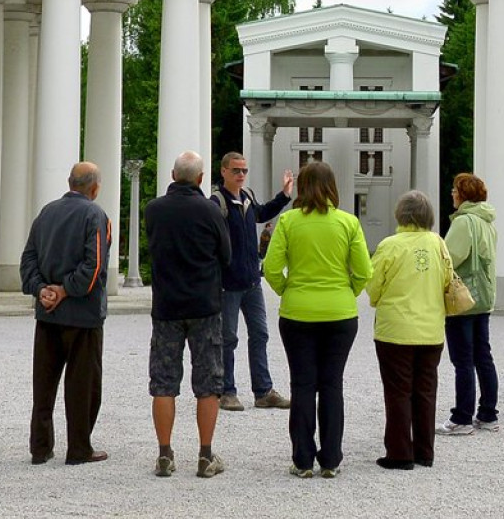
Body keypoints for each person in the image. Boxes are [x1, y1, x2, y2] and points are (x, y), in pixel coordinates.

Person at [262, 161, 372, 478]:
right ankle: (331, 459)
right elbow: (365, 271)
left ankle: (303, 459)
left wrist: (287, 289)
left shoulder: (289, 222)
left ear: (302, 187)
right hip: (339, 313)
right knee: (332, 384)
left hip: (298, 312)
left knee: (303, 384)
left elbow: (271, 268)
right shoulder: (348, 223)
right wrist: (347, 292)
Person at [142, 150, 231, 478]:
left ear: (172, 174)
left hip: (166, 306)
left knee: (163, 382)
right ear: (201, 178)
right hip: (204, 305)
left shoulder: (154, 210)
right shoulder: (210, 211)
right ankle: (205, 455)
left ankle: (164, 453)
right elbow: (227, 254)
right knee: (208, 382)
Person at [19, 161, 114, 464]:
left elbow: (28, 259)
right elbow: (94, 265)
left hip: (47, 315)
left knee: (43, 385)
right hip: (83, 316)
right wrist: (65, 290)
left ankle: (40, 447)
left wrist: (41, 289)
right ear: (95, 188)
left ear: (70, 182)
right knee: (83, 385)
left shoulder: (46, 212)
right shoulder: (95, 215)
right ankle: (79, 448)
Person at [366, 190, 452, 471]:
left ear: (400, 215)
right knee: (426, 390)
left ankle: (400, 452)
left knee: (398, 391)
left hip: (396, 330)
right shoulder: (438, 243)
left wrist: (377, 299)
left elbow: (373, 283)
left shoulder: (390, 245)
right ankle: (425, 451)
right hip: (431, 329)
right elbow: (448, 279)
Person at [213, 152, 294, 412]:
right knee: (228, 338)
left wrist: (284, 196)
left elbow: (261, 214)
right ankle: (227, 391)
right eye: (236, 170)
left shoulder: (246, 196)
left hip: (251, 282)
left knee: (260, 334)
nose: (241, 174)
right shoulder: (216, 203)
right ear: (223, 171)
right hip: (228, 284)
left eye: (244, 170)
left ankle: (263, 391)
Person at [438, 173, 499, 435]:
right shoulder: (487, 221)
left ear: (463, 194)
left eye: (455, 190)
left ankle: (462, 417)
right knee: (483, 357)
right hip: (484, 297)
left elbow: (450, 258)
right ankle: (488, 413)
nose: (452, 193)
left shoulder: (464, 222)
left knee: (462, 360)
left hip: (464, 299)